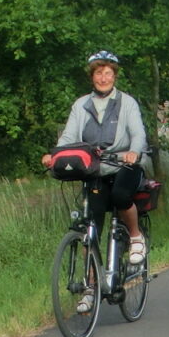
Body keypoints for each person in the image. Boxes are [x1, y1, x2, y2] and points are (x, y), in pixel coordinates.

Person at [41, 50, 148, 313]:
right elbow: (68, 137)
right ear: (92, 77)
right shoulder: (81, 105)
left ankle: (135, 236)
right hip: (96, 170)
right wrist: (54, 155)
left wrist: (134, 152)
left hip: (125, 164)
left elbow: (138, 134)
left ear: (115, 76)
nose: (103, 78)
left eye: (108, 73)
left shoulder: (127, 103)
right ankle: (91, 287)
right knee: (91, 227)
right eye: (99, 73)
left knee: (121, 196)